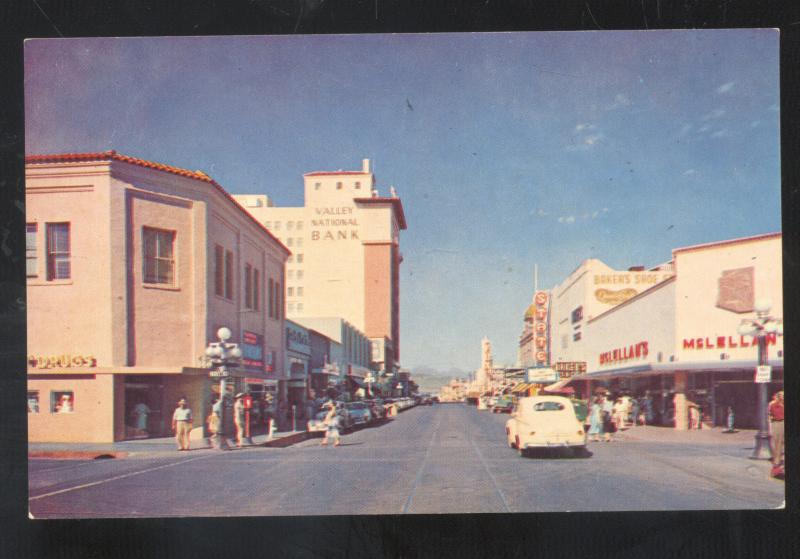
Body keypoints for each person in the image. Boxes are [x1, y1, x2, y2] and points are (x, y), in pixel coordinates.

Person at [768, 390, 784, 467]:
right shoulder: (773, 404)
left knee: (780, 442)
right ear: (778, 396)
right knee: (776, 442)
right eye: (781, 395)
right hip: (776, 423)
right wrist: (771, 421)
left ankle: (777, 460)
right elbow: (769, 415)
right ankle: (776, 460)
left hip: (782, 422)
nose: (783, 397)